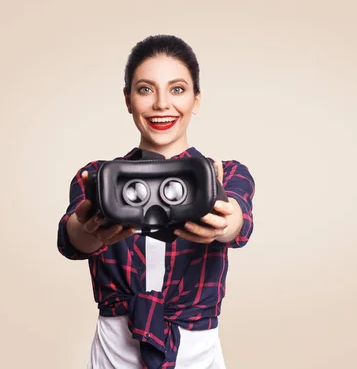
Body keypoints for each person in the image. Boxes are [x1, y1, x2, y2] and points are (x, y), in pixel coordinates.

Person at [57, 34, 255, 369]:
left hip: (196, 348)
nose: (162, 104)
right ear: (128, 99)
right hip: (116, 349)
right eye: (146, 89)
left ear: (196, 99)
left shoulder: (225, 175)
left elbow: (238, 224)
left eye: (177, 89)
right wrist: (92, 228)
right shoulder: (99, 177)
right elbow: (72, 239)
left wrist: (224, 219)